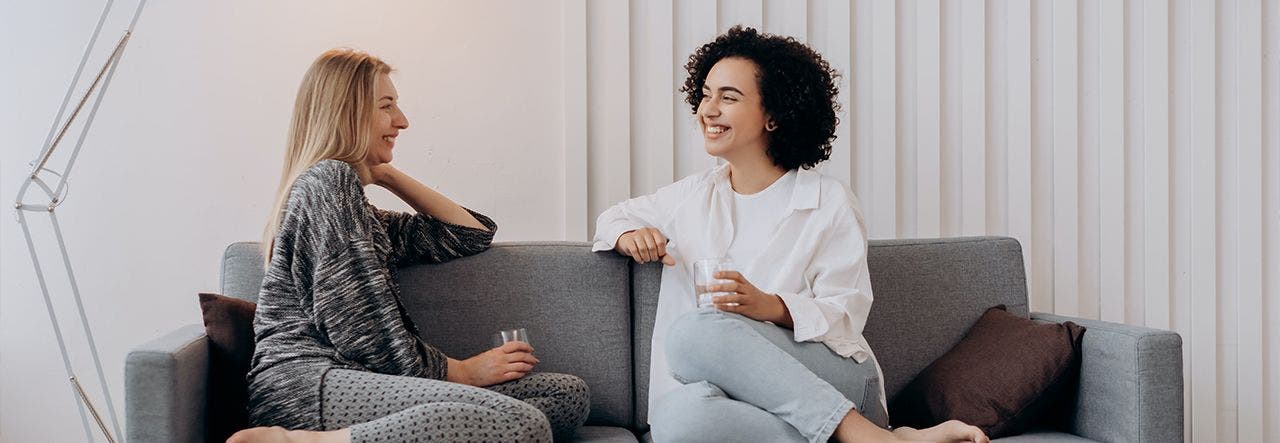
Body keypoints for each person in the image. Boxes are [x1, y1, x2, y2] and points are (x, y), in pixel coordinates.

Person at [593, 27, 988, 443]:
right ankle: (883, 439)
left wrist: (772, 306)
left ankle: (862, 429)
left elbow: (846, 313)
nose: (708, 109)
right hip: (730, 395)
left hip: (836, 378)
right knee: (676, 417)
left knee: (694, 333)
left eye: (728, 97)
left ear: (774, 115)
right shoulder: (689, 197)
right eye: (706, 94)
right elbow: (611, 219)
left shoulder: (828, 201)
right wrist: (629, 234)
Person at [230, 48, 589, 443]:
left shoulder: (364, 215)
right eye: (387, 107)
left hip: (360, 382)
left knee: (564, 395)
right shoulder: (326, 183)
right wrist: (462, 372)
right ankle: (305, 441)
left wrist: (386, 174)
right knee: (525, 425)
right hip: (310, 386)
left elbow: (471, 234)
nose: (402, 121)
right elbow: (364, 330)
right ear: (346, 112)